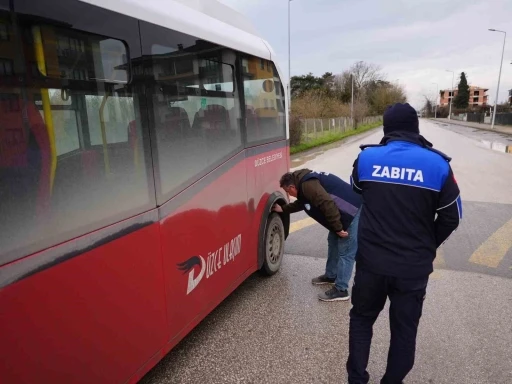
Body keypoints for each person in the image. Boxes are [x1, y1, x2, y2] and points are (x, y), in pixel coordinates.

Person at [347, 103, 462, 384]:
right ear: (416, 128)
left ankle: (357, 380)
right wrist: (427, 244)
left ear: (386, 128)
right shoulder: (438, 165)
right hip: (412, 268)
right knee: (404, 331)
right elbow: (452, 217)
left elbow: (357, 192)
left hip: (371, 264)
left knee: (362, 319)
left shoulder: (366, 159)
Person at [273, 169, 362, 301]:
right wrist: (284, 209)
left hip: (351, 212)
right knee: (333, 242)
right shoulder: (303, 182)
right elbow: (303, 202)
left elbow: (327, 203)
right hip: (343, 212)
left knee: (346, 251)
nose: (289, 195)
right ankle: (331, 275)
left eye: (288, 191)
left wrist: (338, 227)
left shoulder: (307, 185)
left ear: (292, 186)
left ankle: (341, 290)